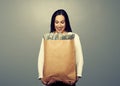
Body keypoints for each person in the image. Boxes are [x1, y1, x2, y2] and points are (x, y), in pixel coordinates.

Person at [38, 9, 84, 86]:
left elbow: (79, 57)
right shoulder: (47, 38)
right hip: (51, 82)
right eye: (57, 22)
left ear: (66, 23)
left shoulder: (73, 37)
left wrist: (78, 75)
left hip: (68, 81)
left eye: (62, 22)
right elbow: (41, 57)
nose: (59, 25)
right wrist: (41, 76)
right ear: (53, 23)